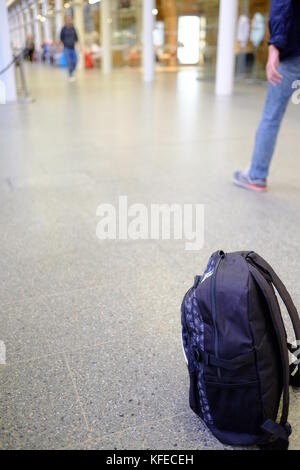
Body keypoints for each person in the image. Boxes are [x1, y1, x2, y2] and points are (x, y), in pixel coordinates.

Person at [234, 0, 300, 192]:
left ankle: (256, 175)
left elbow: (282, 5)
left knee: (271, 117)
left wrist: (274, 47)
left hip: (292, 57)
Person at [60, 15, 79, 81]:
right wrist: (61, 46)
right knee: (69, 62)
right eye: (67, 19)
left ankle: (72, 70)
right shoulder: (63, 29)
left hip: (73, 48)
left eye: (70, 19)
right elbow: (61, 38)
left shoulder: (73, 28)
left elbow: (76, 38)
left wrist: (79, 46)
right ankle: (70, 74)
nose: (69, 20)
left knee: (75, 61)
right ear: (65, 20)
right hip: (66, 48)